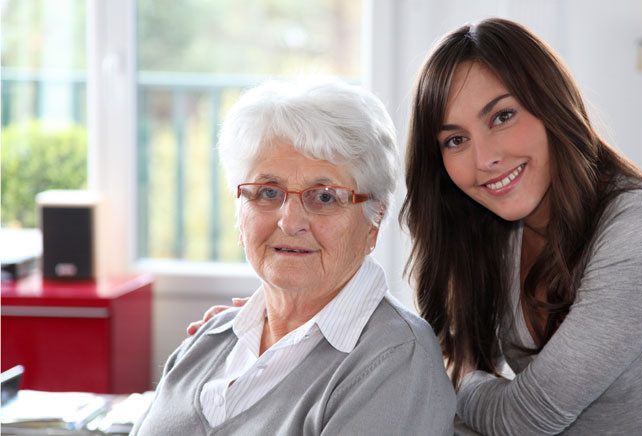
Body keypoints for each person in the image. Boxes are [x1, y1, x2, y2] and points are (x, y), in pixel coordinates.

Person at [400, 18, 642, 435]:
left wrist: (460, 377)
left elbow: (529, 417)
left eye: (502, 116)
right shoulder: (500, 228)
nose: (484, 159)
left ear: (550, 105)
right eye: (455, 140)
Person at [132, 78, 455, 435]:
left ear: (373, 222)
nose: (290, 221)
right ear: (239, 214)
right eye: (268, 192)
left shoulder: (395, 362)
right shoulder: (207, 339)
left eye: (325, 197)